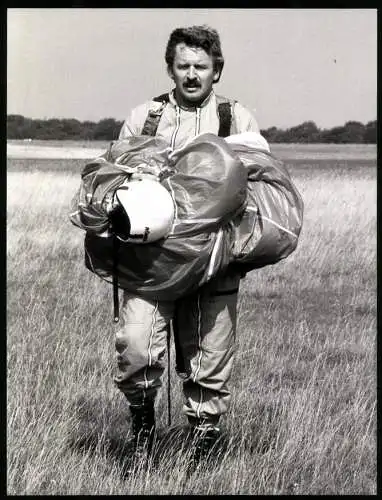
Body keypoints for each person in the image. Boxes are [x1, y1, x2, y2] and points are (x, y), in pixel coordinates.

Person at [114, 25, 265, 468]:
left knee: (209, 357)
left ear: (217, 70)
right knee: (137, 345)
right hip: (150, 263)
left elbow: (258, 187)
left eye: (202, 66)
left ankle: (204, 446)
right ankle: (142, 429)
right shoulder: (144, 117)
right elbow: (115, 180)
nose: (192, 74)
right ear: (170, 69)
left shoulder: (237, 119)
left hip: (215, 261)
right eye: (184, 66)